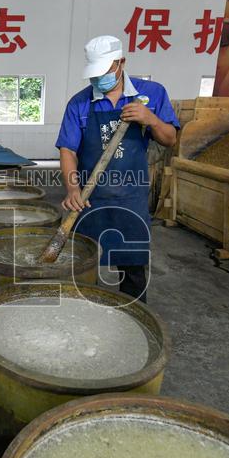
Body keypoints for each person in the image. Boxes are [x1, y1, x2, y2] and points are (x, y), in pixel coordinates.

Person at [55, 35, 180, 301]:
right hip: (90, 201)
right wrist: (72, 188)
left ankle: (134, 323)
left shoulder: (151, 94)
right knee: (84, 268)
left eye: (105, 72)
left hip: (130, 201)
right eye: (95, 74)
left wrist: (151, 120)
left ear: (121, 62)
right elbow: (67, 150)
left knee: (133, 269)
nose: (99, 79)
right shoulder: (79, 103)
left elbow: (170, 139)